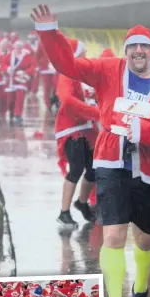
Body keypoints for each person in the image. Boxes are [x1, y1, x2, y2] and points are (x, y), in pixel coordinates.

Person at [32, 4, 150, 297]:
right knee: (113, 235)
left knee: (145, 239)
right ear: (126, 51)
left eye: (144, 47)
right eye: (132, 48)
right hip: (110, 161)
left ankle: (141, 289)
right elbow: (66, 64)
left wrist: (145, 132)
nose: (138, 53)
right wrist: (50, 33)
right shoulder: (108, 69)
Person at [55, 38, 100, 227]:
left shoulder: (84, 73)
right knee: (76, 168)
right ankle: (63, 212)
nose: (85, 56)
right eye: (82, 54)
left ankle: (81, 202)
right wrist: (96, 112)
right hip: (71, 128)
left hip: (87, 127)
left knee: (93, 168)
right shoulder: (67, 75)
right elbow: (67, 100)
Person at [3, 40, 36, 124]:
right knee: (10, 99)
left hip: (22, 79)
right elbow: (3, 64)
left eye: (20, 48)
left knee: (20, 97)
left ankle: (18, 115)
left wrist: (26, 73)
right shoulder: (9, 55)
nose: (18, 49)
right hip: (11, 80)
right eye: (17, 47)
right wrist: (8, 69)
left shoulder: (27, 56)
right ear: (14, 47)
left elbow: (32, 66)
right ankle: (11, 112)